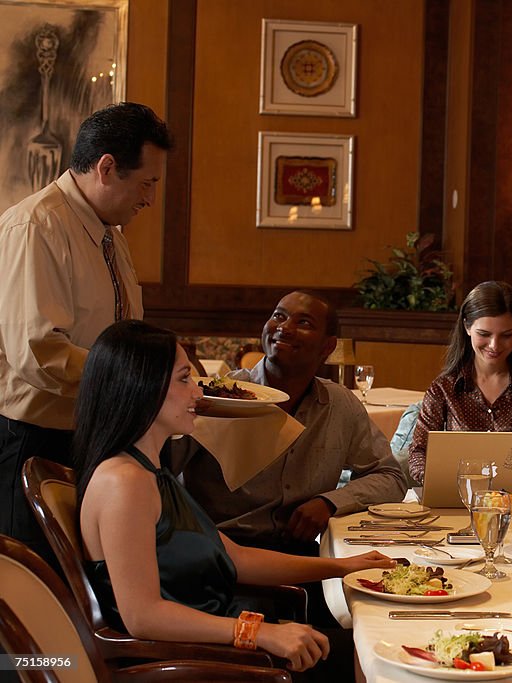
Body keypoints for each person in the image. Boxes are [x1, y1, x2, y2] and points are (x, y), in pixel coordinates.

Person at [76, 320, 396, 673]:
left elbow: (238, 558)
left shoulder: (150, 472)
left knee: (383, 646)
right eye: (185, 379)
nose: (198, 393)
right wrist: (259, 633)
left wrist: (344, 566)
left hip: (217, 641)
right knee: (384, 657)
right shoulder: (125, 482)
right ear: (142, 387)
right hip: (197, 663)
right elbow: (142, 616)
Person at [170, 290, 406, 627]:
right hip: (222, 557)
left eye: (304, 322)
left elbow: (390, 476)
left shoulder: (339, 406)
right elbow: (159, 474)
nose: (285, 327)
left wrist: (329, 502)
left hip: (299, 554)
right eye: (279, 316)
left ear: (327, 346)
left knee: (374, 613)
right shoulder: (221, 396)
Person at [0, 102, 171, 562]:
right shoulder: (37, 225)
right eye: (147, 183)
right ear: (107, 168)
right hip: (34, 440)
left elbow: (121, 332)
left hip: (92, 433)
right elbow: (39, 354)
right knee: (36, 592)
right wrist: (133, 380)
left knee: (86, 592)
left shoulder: (108, 233)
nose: (151, 198)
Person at [408, 281, 512, 484]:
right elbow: (418, 450)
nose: (494, 345)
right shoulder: (444, 388)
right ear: (467, 327)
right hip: (458, 499)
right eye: (484, 334)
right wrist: (436, 481)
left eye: (506, 335)